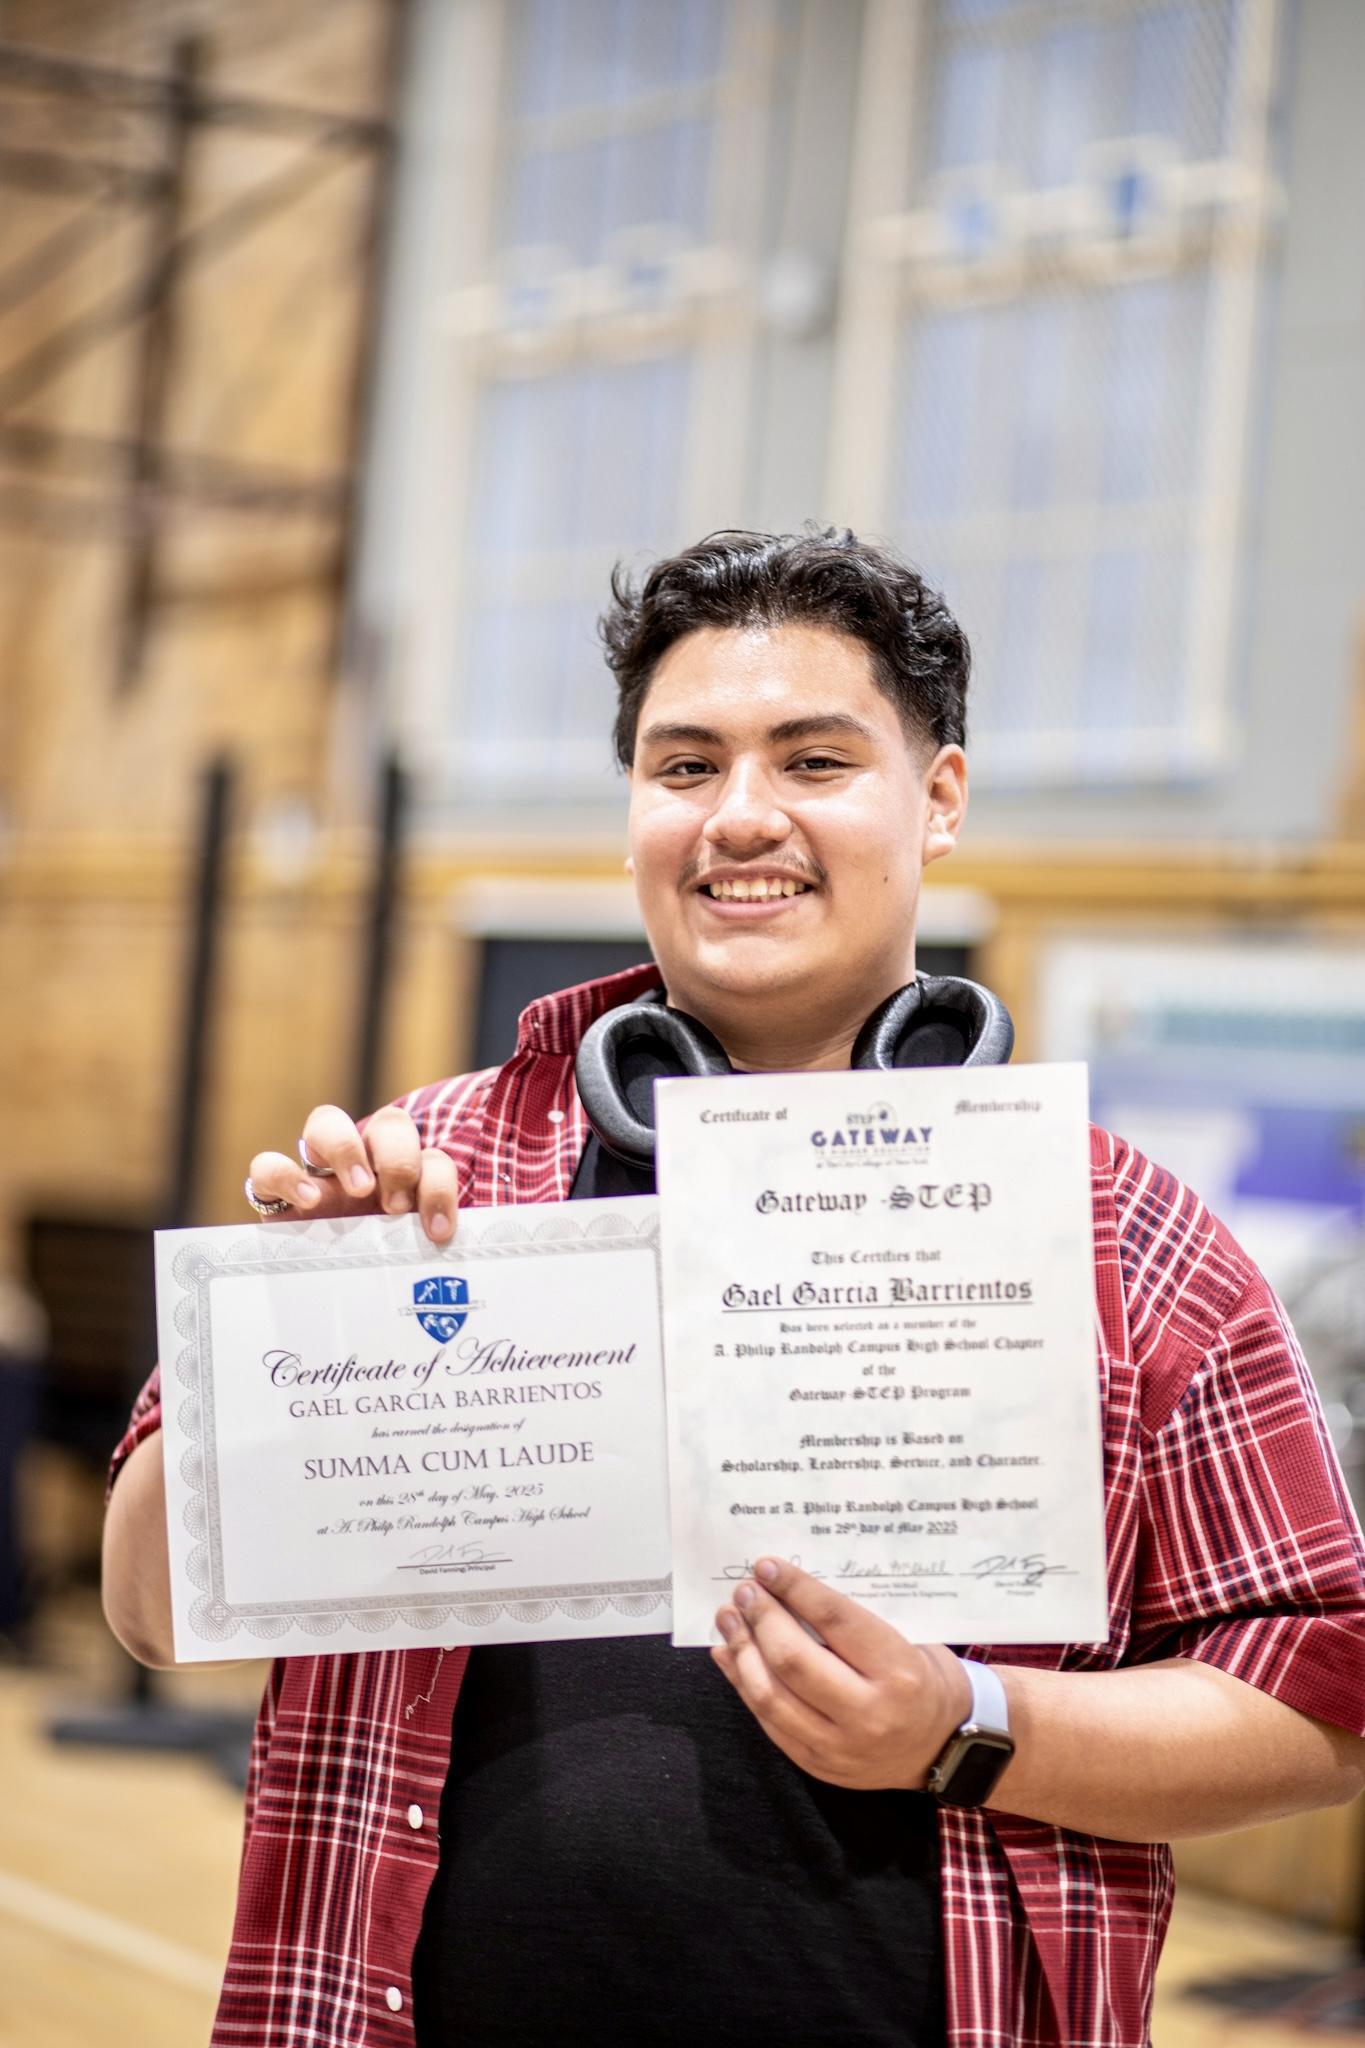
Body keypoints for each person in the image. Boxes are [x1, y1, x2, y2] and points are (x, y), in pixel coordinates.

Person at [103, 530, 1365, 2048]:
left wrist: (967, 1728)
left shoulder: (1120, 1238)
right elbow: (151, 1611)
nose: (740, 816)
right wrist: (299, 1326)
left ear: (938, 800)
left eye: (814, 760)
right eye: (685, 766)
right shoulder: (429, 1180)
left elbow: (1314, 1705)